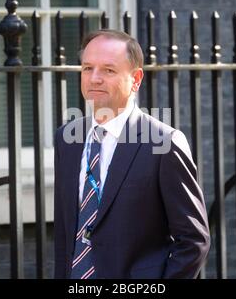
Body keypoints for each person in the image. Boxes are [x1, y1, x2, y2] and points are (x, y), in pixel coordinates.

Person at [54, 29, 210, 279]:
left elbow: (193, 241)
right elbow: (65, 233)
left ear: (136, 79)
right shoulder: (66, 139)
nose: (94, 78)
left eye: (108, 70)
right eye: (87, 68)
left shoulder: (164, 143)